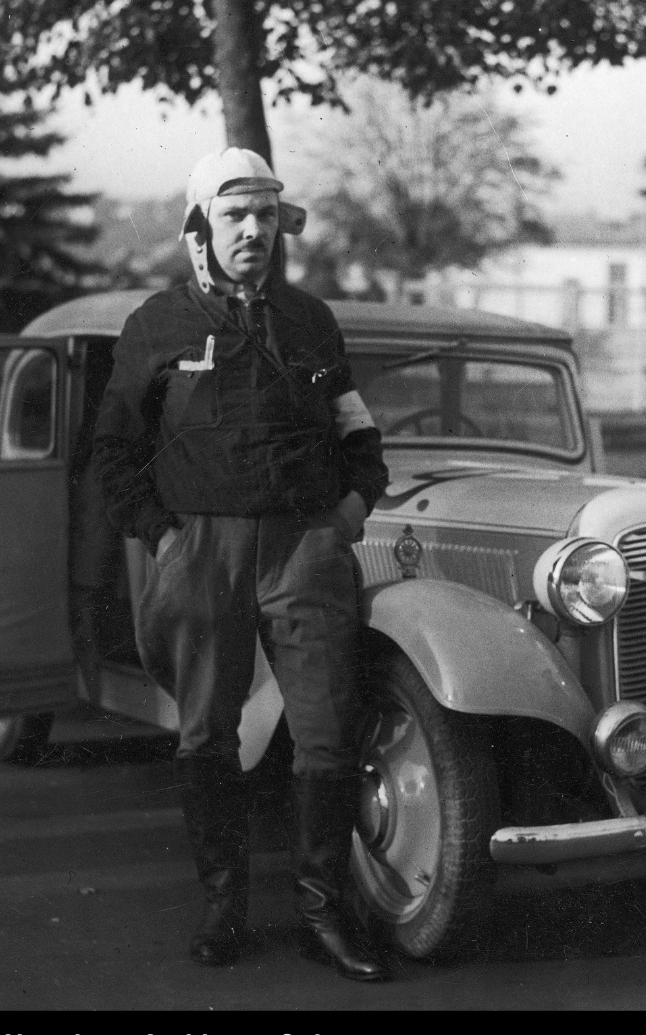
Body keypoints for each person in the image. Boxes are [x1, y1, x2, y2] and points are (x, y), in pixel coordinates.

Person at [92, 147, 391, 981]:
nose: (254, 231)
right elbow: (113, 451)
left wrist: (345, 517)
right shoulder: (157, 324)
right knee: (205, 735)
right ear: (199, 230)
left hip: (304, 548)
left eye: (266, 215)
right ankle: (224, 908)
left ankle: (323, 914)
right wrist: (163, 536)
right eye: (234, 216)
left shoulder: (311, 321)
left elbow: (359, 437)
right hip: (202, 551)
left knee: (327, 736)